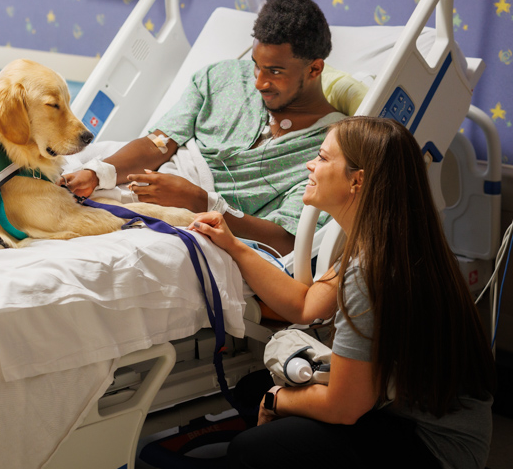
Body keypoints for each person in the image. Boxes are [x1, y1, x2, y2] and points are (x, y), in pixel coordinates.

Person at [191, 116, 496, 469]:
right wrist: (234, 245)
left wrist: (277, 400)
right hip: (405, 412)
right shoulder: (386, 239)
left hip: (434, 447)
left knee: (253, 447)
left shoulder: (370, 271)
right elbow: (305, 305)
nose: (310, 164)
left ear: (356, 180)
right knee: (251, 389)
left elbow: (346, 407)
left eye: (321, 158)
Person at [61, 0, 344, 256]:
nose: (258, 82)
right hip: (140, 175)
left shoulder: (331, 147)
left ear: (315, 69)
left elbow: (287, 241)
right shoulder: (220, 77)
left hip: (200, 222)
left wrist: (200, 201)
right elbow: (159, 142)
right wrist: (99, 172)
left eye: (275, 71)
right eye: (256, 64)